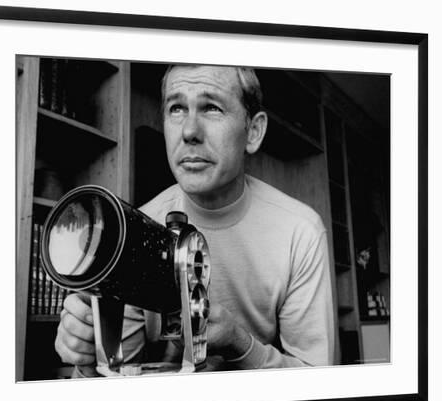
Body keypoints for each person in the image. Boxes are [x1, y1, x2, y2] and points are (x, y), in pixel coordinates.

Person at [54, 64, 335, 374]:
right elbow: (118, 385)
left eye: (211, 107)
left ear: (253, 132)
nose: (188, 131)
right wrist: (89, 360)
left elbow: (315, 381)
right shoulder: (134, 230)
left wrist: (239, 344)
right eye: (176, 108)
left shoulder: (300, 232)